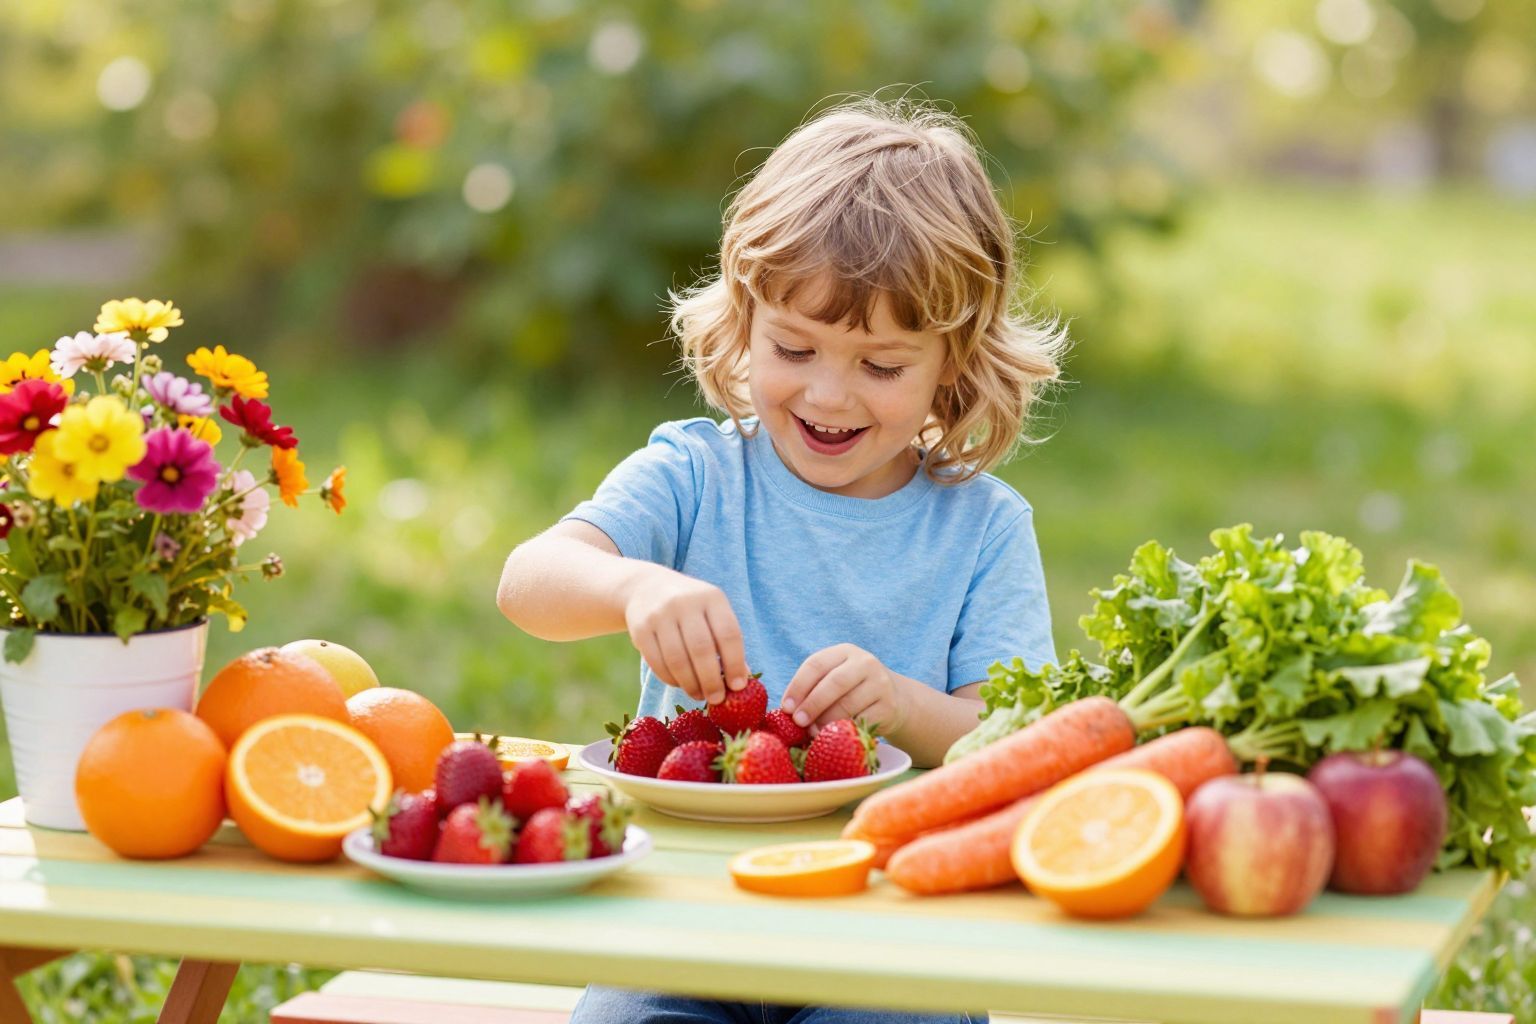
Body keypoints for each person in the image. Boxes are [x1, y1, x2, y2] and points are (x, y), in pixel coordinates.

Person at [496, 95, 1064, 1024]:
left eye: (882, 366)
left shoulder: (982, 527)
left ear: (952, 364)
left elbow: (1016, 747)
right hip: (682, 927)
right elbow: (528, 583)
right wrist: (634, 583)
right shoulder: (695, 473)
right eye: (794, 347)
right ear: (745, 321)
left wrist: (900, 705)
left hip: (889, 939)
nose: (830, 393)